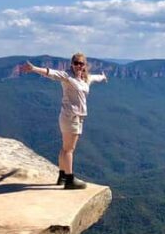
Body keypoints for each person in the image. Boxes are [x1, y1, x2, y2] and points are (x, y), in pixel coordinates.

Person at [20, 53, 107, 189]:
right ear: (71, 64)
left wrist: (103, 77)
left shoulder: (85, 79)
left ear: (85, 65)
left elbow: (96, 78)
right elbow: (52, 73)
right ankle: (70, 180)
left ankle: (62, 176)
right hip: (70, 117)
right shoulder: (67, 76)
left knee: (65, 148)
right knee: (69, 150)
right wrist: (34, 68)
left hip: (76, 117)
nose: (79, 66)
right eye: (76, 63)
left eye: (81, 63)